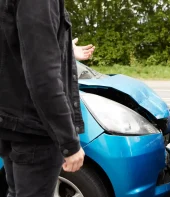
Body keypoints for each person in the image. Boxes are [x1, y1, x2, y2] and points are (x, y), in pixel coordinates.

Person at [0, 0, 91, 196]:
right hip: (35, 130)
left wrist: (63, 47)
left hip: (14, 122)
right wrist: (69, 143)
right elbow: (43, 77)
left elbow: (14, 46)